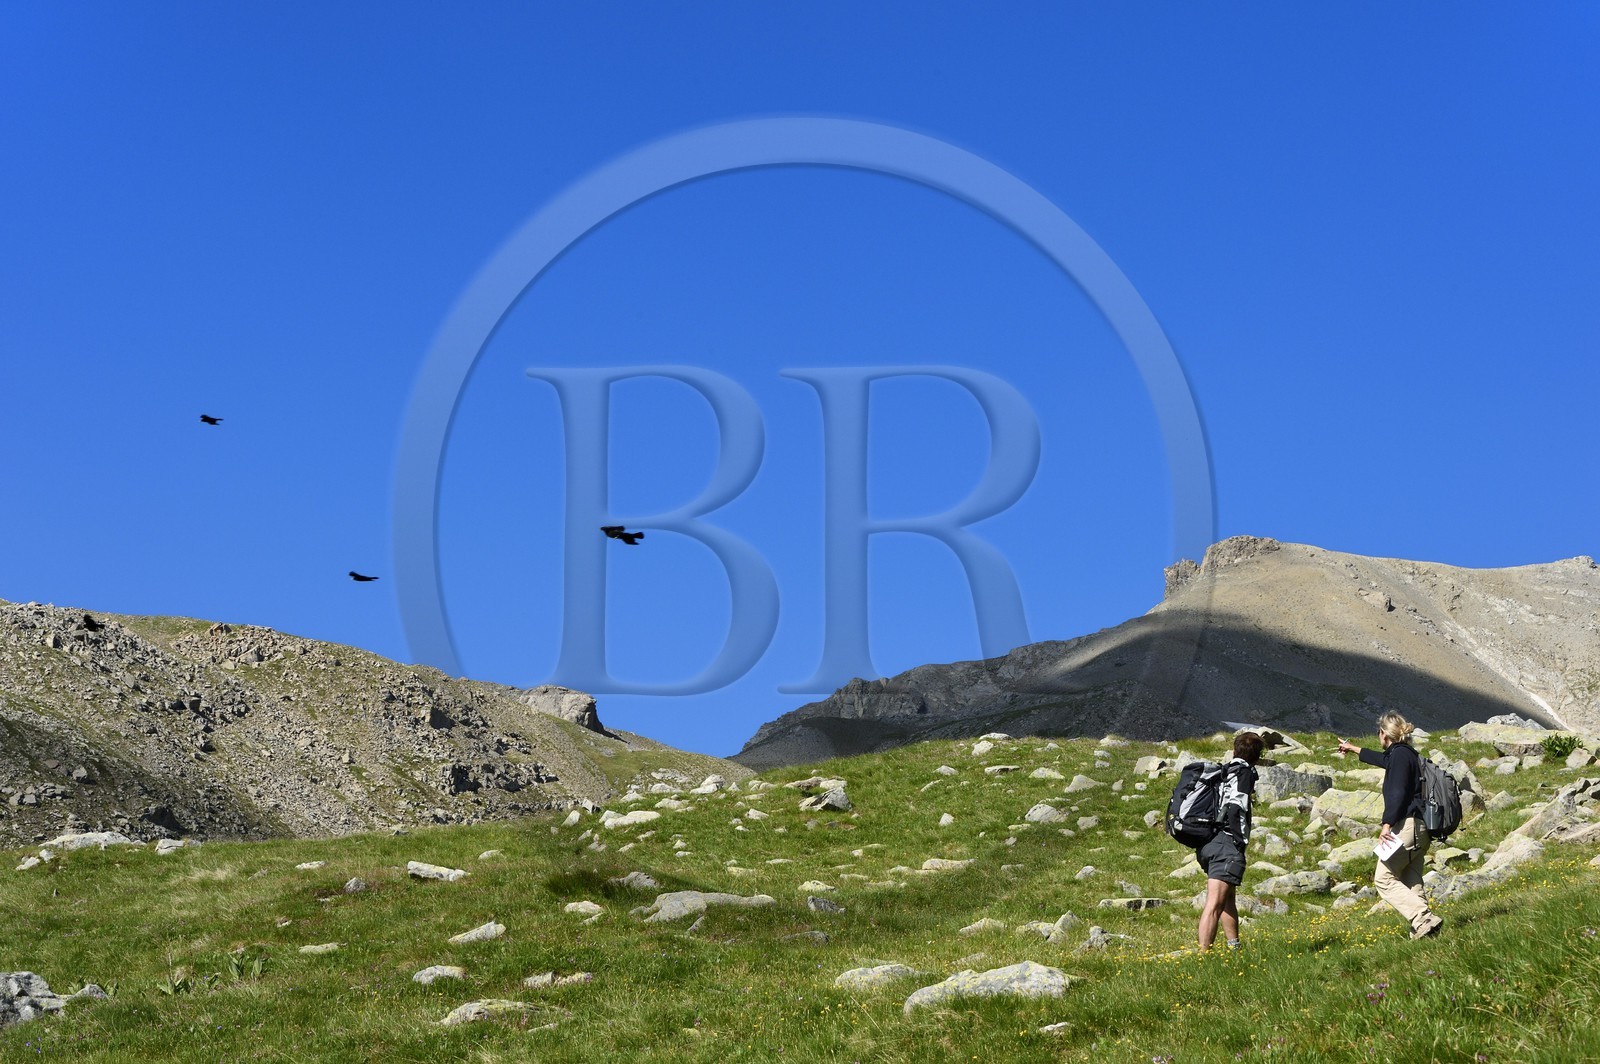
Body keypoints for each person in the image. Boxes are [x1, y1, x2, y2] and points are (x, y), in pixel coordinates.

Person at [1338, 712, 1443, 939]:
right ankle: (1426, 931)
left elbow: (1397, 793)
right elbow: (1383, 760)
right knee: (1411, 879)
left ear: (1383, 734)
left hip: (1407, 827)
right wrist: (1354, 748)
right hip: (1422, 828)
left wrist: (1386, 825)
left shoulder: (1398, 757)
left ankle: (1423, 918)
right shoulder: (1405, 754)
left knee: (1383, 879)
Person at [1197, 731, 1264, 951]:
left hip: (1208, 842)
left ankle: (1234, 948)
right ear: (1257, 755)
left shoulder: (1224, 770)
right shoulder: (1243, 773)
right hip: (1226, 843)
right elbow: (1236, 807)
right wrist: (1238, 839)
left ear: (1235, 749)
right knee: (1214, 903)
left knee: (1227, 899)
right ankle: (1203, 954)